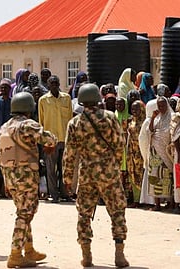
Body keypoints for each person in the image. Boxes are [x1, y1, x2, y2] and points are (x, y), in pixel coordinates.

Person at [62, 83, 129, 268]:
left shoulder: (75, 123)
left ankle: (86, 255)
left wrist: (67, 179)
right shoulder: (110, 118)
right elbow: (120, 143)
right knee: (117, 212)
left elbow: (69, 154)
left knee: (84, 214)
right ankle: (119, 254)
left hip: (87, 176)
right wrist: (113, 163)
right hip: (110, 174)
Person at [0, 92, 56, 268]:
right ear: (30, 108)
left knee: (23, 211)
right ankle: (15, 254)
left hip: (10, 177)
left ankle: (29, 250)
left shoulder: (4, 127)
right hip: (26, 177)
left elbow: (1, 155)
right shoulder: (28, 125)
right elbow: (50, 139)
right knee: (25, 214)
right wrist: (49, 145)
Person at [38, 75, 73, 203]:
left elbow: (70, 119)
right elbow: (41, 122)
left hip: (64, 138)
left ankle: (65, 193)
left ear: (59, 84)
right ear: (48, 85)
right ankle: (54, 194)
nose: (54, 85)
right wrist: (42, 141)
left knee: (64, 168)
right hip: (50, 141)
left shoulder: (67, 98)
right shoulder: (43, 100)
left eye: (56, 83)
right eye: (51, 83)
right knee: (51, 169)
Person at [148, 97, 174, 211]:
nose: (161, 108)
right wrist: (153, 118)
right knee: (154, 177)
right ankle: (157, 204)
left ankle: (171, 203)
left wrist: (160, 135)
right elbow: (151, 130)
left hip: (166, 152)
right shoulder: (157, 118)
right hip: (155, 153)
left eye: (163, 106)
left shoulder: (172, 118)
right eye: (159, 106)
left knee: (168, 177)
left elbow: (170, 133)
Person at [126, 100, 145, 207]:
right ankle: (135, 199)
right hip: (131, 151)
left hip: (141, 152)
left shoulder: (145, 122)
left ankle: (141, 200)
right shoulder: (131, 121)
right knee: (132, 174)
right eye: (132, 109)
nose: (134, 111)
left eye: (137, 109)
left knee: (141, 175)